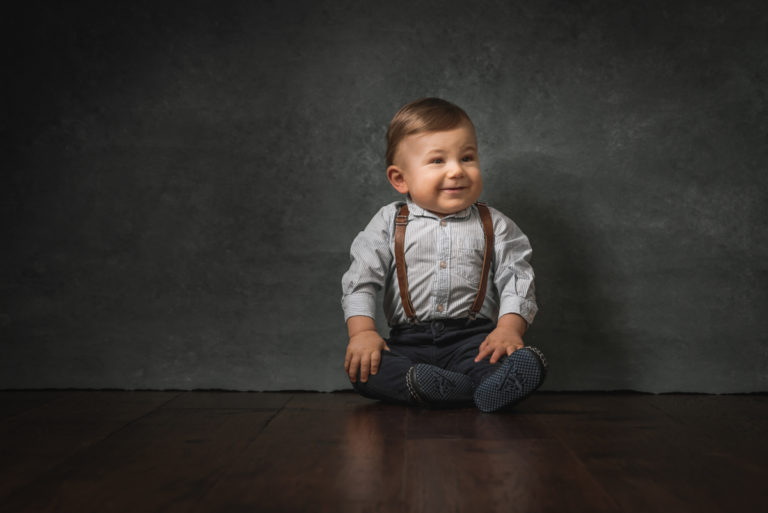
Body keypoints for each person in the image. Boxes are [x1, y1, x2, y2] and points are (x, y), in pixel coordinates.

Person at [341, 98, 547, 412]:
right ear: (400, 179)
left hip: (474, 342)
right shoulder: (388, 223)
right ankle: (438, 385)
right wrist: (363, 333)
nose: (456, 171)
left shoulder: (496, 225)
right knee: (367, 370)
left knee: (497, 360)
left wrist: (508, 329)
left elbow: (517, 278)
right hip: (408, 343)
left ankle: (474, 384)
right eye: (438, 161)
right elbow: (361, 282)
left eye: (467, 157)